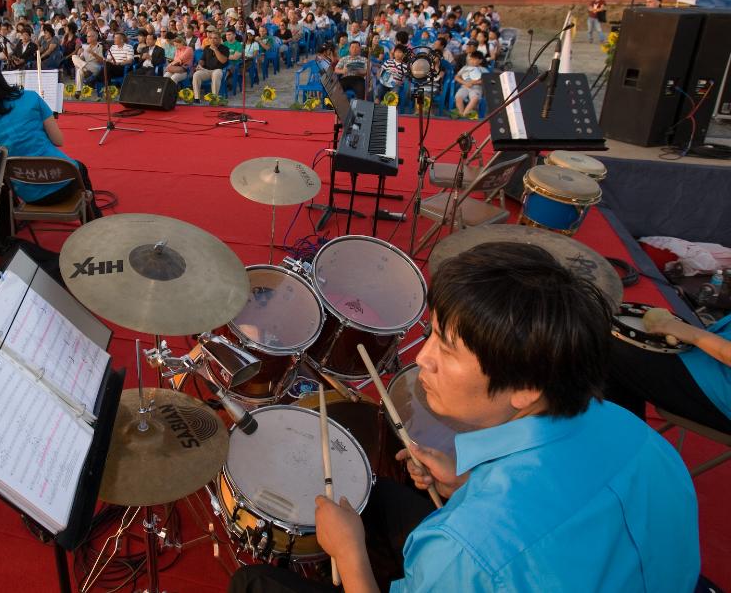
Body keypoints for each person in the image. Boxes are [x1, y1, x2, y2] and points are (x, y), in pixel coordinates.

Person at [231, 242, 699, 593]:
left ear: (526, 388)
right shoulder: (644, 440)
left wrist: (349, 556)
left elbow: (492, 549)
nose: (422, 361)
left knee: (254, 582)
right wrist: (472, 484)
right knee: (380, 500)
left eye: (447, 349)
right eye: (430, 336)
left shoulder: (466, 548)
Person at [0, 53, 101, 251]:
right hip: (63, 181)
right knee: (80, 168)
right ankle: (98, 227)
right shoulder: (31, 98)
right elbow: (58, 140)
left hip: (28, 193)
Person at [607, 307, 731, 435]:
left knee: (605, 345)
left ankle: (625, 437)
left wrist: (694, 335)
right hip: (710, 357)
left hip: (716, 388)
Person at [454, 50, 486, 116]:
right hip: (464, 87)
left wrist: (473, 83)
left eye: (475, 59)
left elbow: (485, 80)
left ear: (480, 61)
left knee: (474, 99)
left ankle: (464, 115)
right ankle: (461, 113)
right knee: (458, 97)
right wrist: (465, 83)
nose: (472, 61)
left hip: (476, 88)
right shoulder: (465, 68)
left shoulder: (483, 69)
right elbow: (456, 77)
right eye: (471, 59)